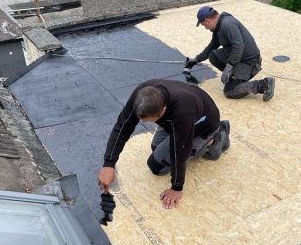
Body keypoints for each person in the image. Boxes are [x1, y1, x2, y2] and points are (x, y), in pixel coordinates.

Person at [97, 79, 230, 209]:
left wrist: (177, 188)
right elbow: (122, 127)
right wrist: (109, 164)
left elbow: (179, 151)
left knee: (157, 167)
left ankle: (216, 138)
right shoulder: (142, 93)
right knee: (156, 149)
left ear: (163, 109)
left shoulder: (183, 111)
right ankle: (186, 133)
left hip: (201, 126)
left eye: (151, 120)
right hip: (176, 120)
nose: (144, 123)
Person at [186, 6, 275, 101]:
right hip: (241, 58)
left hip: (250, 63)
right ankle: (236, 77)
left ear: (208, 21)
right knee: (213, 56)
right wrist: (196, 60)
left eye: (204, 25)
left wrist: (229, 67)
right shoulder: (219, 26)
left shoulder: (227, 24)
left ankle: (264, 84)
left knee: (230, 91)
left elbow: (239, 46)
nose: (206, 28)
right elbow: (212, 46)